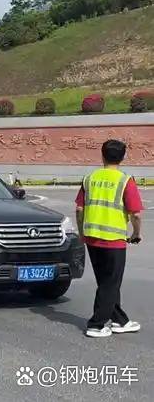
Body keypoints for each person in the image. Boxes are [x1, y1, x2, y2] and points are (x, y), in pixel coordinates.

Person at [76, 139, 143, 338]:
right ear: (123, 157)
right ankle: (96, 324)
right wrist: (136, 233)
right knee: (110, 283)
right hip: (113, 239)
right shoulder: (125, 180)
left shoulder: (89, 178)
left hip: (92, 238)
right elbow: (135, 214)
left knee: (106, 282)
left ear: (102, 154)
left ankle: (120, 321)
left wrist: (81, 233)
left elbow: (79, 209)